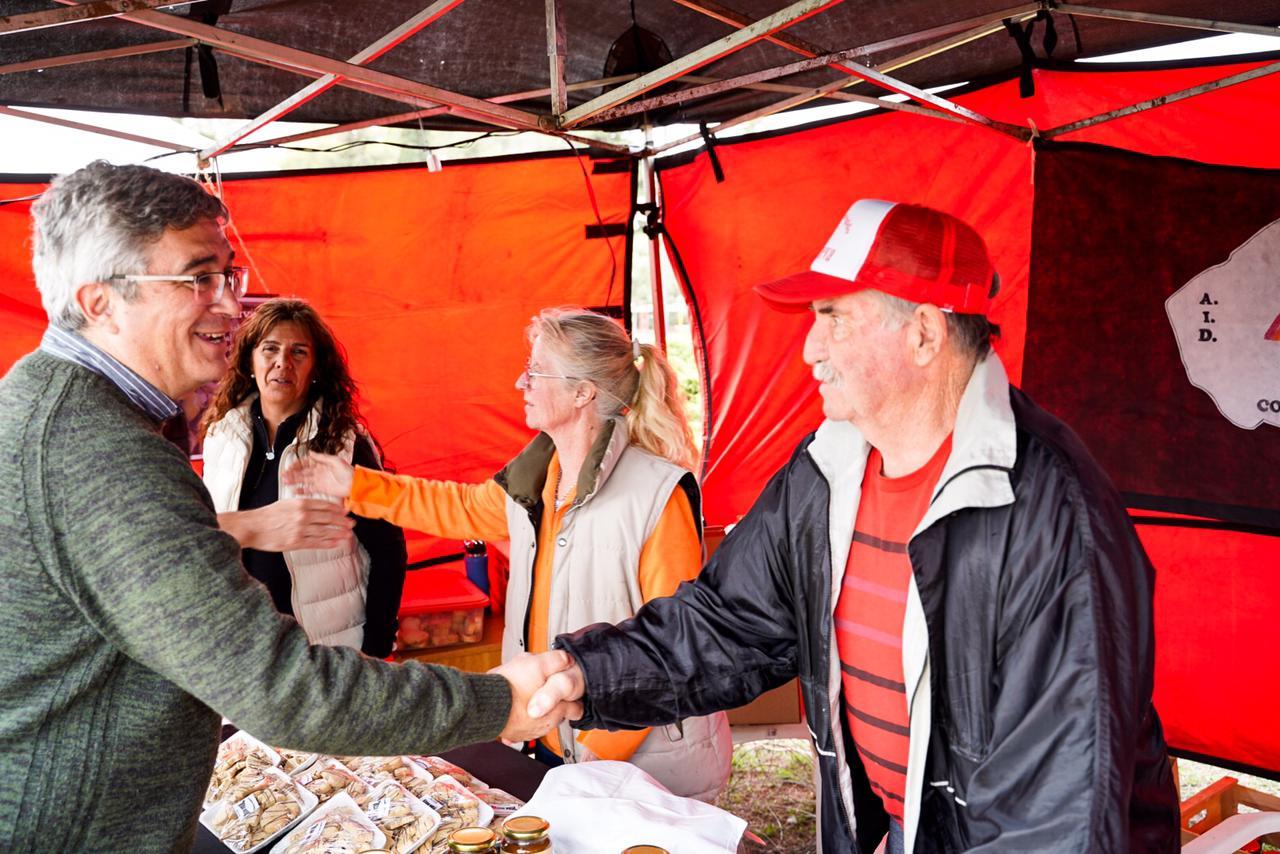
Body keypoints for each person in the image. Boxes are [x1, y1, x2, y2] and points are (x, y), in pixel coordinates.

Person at [525, 200, 1182, 852]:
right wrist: (587, 675)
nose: (810, 348)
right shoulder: (827, 471)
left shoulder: (1052, 514)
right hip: (913, 832)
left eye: (834, 318)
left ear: (924, 333)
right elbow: (728, 625)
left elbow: (1055, 820)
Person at [0, 160, 575, 851]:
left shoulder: (57, 407)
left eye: (228, 275)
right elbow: (279, 688)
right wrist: (499, 701)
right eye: (198, 278)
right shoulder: (99, 448)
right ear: (101, 303)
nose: (228, 304)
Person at [287, 307, 732, 802]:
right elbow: (454, 507)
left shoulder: (657, 494)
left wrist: (594, 753)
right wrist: (354, 484)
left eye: (536, 371)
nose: (521, 381)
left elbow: (678, 644)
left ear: (583, 392)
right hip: (555, 741)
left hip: (639, 764)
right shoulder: (537, 479)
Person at [201, 298, 407, 657]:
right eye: (270, 349)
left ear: (316, 368)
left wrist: (375, 646)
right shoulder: (221, 436)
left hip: (329, 648)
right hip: (243, 646)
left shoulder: (344, 443)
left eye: (299, 352)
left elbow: (388, 550)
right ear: (250, 359)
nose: (283, 362)